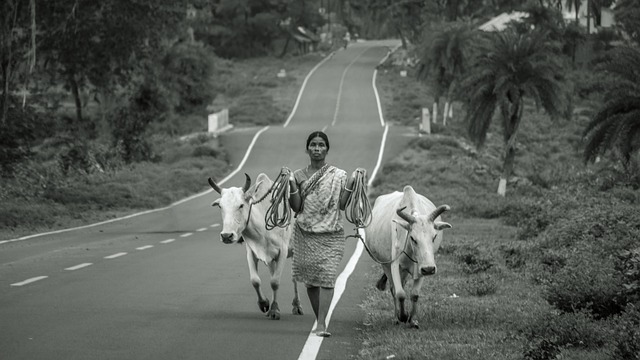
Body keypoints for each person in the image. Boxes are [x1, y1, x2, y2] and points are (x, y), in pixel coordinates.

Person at [288, 131, 356, 337]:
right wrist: (290, 184)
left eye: (321, 145)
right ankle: (320, 318)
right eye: (313, 145)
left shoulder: (339, 175)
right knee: (310, 280)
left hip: (331, 234)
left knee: (327, 277)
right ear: (307, 148)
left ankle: (321, 324)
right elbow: (296, 207)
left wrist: (353, 181)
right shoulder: (298, 175)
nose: (317, 148)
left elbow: (342, 205)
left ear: (327, 149)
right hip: (305, 234)